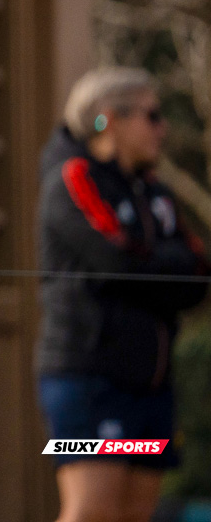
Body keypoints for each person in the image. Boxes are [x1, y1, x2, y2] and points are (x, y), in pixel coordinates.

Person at [37, 67, 208, 522]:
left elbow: (197, 271)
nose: (162, 128)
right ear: (110, 119)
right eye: (152, 116)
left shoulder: (157, 194)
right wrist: (161, 266)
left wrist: (155, 265)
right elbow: (117, 259)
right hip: (89, 382)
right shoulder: (73, 178)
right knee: (92, 511)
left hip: (150, 387)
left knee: (133, 516)